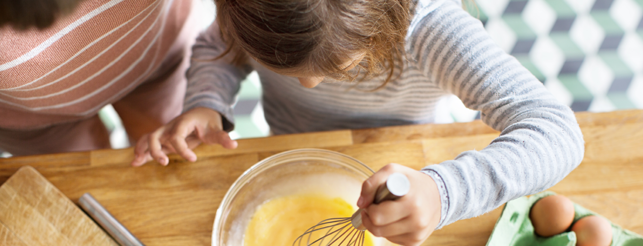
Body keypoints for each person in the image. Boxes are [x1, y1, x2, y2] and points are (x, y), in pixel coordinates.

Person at [132, 0, 585, 245]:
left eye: (340, 69)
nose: (308, 85)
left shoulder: (432, 30)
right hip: (293, 146)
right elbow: (218, 47)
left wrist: (443, 192)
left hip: (407, 161)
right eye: (282, 67)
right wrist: (207, 101)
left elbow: (557, 132)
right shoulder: (255, 12)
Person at [0, 0, 200, 155]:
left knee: (175, 154)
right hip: (32, 122)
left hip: (157, 59)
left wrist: (209, 100)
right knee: (86, 189)